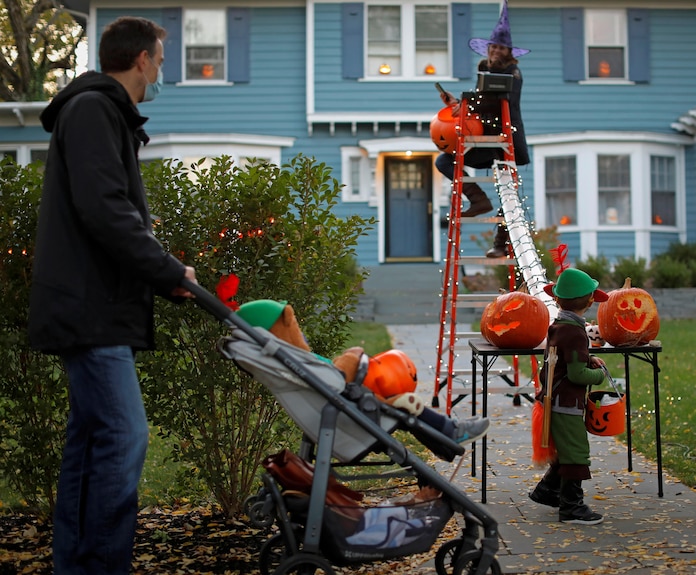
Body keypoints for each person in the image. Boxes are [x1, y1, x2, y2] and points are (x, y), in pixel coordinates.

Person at [28, 16, 196, 575]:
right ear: (142, 59)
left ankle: (76, 565)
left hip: (90, 305)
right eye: (160, 60)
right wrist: (167, 269)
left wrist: (166, 272)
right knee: (125, 438)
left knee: (91, 443)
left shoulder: (97, 114)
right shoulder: (95, 110)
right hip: (90, 308)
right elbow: (107, 212)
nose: (160, 71)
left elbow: (112, 213)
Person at [235, 299, 490, 446]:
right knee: (405, 406)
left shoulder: (290, 361)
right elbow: (336, 379)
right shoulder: (293, 360)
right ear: (286, 321)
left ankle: (448, 434)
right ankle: (449, 431)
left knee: (405, 407)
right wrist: (352, 356)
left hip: (345, 410)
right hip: (354, 415)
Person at [435, 0, 530, 258]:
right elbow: (480, 103)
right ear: (488, 48)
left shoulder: (514, 73)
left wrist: (466, 103)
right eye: (493, 46)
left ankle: (501, 244)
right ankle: (477, 199)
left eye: (501, 47)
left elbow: (502, 102)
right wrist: (458, 104)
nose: (496, 51)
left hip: (505, 140)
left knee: (509, 194)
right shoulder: (482, 69)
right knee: (444, 161)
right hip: (481, 138)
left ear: (508, 52)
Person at [530, 268, 609, 525]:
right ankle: (572, 508)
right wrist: (599, 377)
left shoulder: (560, 325)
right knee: (575, 453)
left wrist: (589, 358)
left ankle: (547, 491)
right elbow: (576, 374)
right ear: (589, 301)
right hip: (565, 402)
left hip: (554, 398)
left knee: (565, 451)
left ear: (557, 299)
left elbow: (566, 360)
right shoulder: (575, 332)